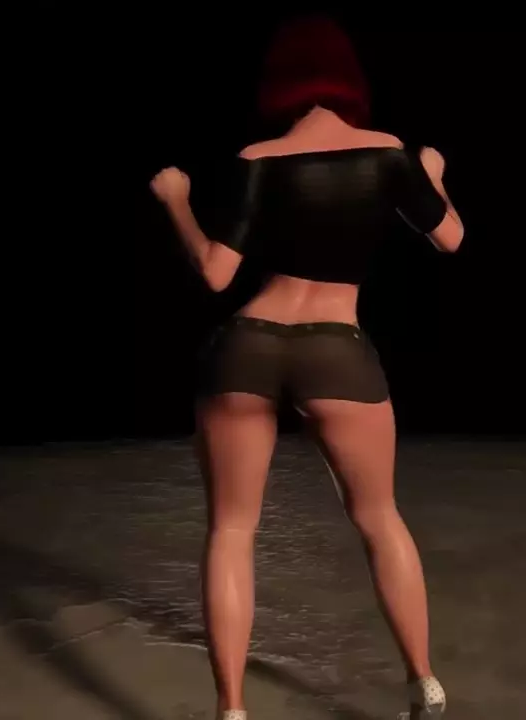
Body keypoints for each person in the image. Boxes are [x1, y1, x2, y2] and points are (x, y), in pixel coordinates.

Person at [149, 16, 463, 720]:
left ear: (279, 82)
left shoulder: (258, 157)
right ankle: (423, 684)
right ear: (348, 79)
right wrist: (436, 177)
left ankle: (232, 710)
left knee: (232, 530)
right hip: (334, 347)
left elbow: (215, 271)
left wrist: (177, 203)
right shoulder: (388, 153)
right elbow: (450, 238)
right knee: (379, 517)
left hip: (249, 343)